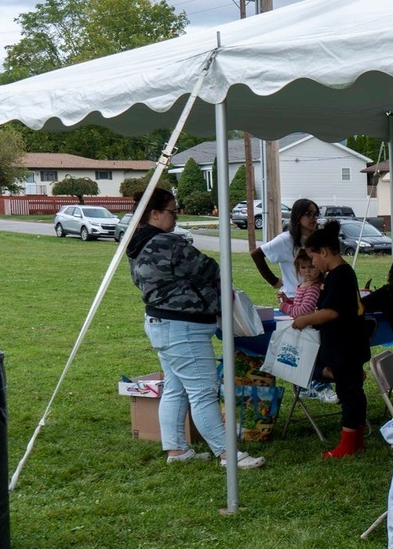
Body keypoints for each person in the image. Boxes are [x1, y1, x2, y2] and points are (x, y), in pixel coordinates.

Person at [126, 187, 264, 469]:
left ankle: (177, 450)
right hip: (182, 328)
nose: (176, 217)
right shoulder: (168, 243)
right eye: (172, 211)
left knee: (176, 388)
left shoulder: (136, 243)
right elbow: (210, 268)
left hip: (162, 324)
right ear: (155, 214)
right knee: (203, 390)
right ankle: (227, 454)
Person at [291, 221, 371, 459]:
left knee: (348, 393)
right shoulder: (342, 274)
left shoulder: (339, 275)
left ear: (324, 252)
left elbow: (332, 312)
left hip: (344, 346)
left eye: (313, 257)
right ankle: (356, 438)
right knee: (353, 391)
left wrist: (304, 320)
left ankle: (348, 443)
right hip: (350, 344)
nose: (313, 263)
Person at [252, 198, 319, 301]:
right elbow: (256, 255)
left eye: (315, 214)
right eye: (309, 214)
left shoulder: (318, 239)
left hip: (316, 295)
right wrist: (274, 281)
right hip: (293, 297)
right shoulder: (285, 240)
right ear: (298, 216)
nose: (313, 218)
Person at [278, 249, 322, 318]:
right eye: (303, 267)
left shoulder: (313, 289)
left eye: (311, 267)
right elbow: (300, 305)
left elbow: (304, 311)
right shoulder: (303, 285)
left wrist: (285, 307)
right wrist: (288, 301)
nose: (307, 271)